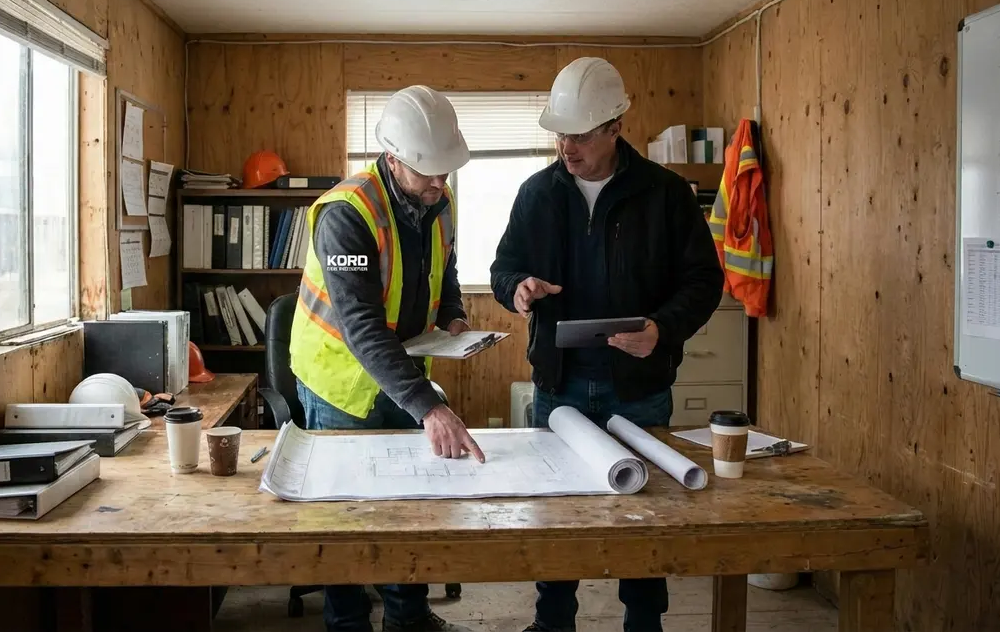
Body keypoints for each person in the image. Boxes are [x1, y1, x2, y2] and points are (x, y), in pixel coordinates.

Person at [490, 57, 724, 632]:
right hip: (558, 386)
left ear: (616, 127)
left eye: (580, 134)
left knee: (645, 518)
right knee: (559, 517)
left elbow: (704, 281)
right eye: (559, 133)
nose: (566, 146)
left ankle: (644, 624)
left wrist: (662, 331)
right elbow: (503, 267)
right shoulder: (536, 194)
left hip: (639, 385)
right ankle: (554, 624)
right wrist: (516, 290)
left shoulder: (667, 195)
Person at [288, 84, 483, 632]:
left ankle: (409, 617)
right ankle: (348, 624)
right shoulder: (346, 214)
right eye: (430, 172)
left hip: (402, 373)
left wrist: (453, 315)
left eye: (447, 171)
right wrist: (432, 408)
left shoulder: (438, 198)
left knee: (411, 504)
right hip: (339, 381)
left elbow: (443, 269)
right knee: (346, 515)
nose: (441, 183)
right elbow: (363, 328)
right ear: (394, 159)